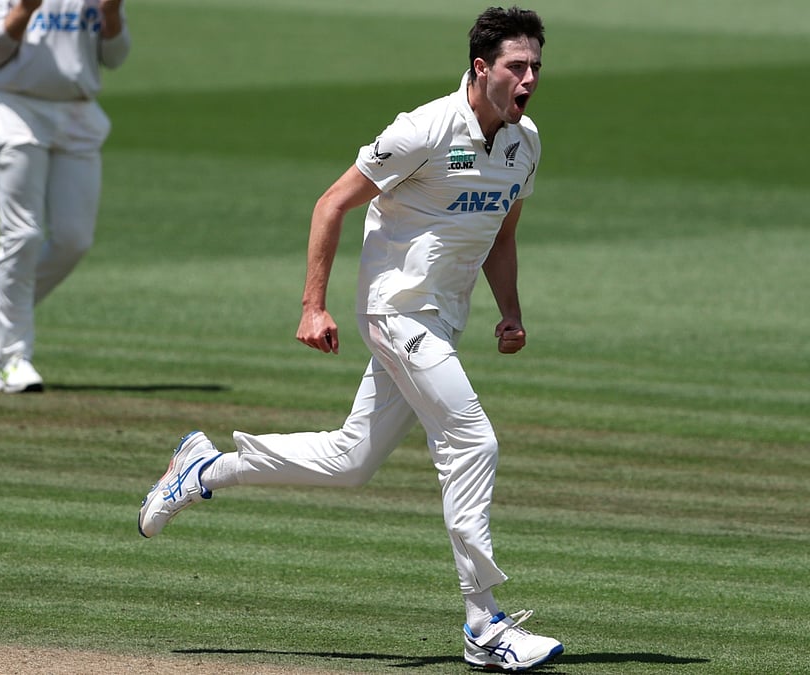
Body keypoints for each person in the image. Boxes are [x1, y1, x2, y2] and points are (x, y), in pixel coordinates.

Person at [138, 6, 563, 671]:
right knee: (473, 440)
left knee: (350, 459)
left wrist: (509, 312)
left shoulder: (524, 142)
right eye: (518, 66)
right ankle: (485, 622)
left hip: (440, 321)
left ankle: (202, 468)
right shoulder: (421, 128)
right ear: (482, 69)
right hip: (396, 313)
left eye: (537, 66)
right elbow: (332, 202)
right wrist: (313, 306)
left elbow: (501, 236)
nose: (531, 78)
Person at [0, 0, 131, 393]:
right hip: (17, 108)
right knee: (22, 233)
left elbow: (116, 56)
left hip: (78, 113)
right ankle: (12, 359)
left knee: (73, 238)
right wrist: (25, 9)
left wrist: (111, 15)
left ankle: (7, 300)